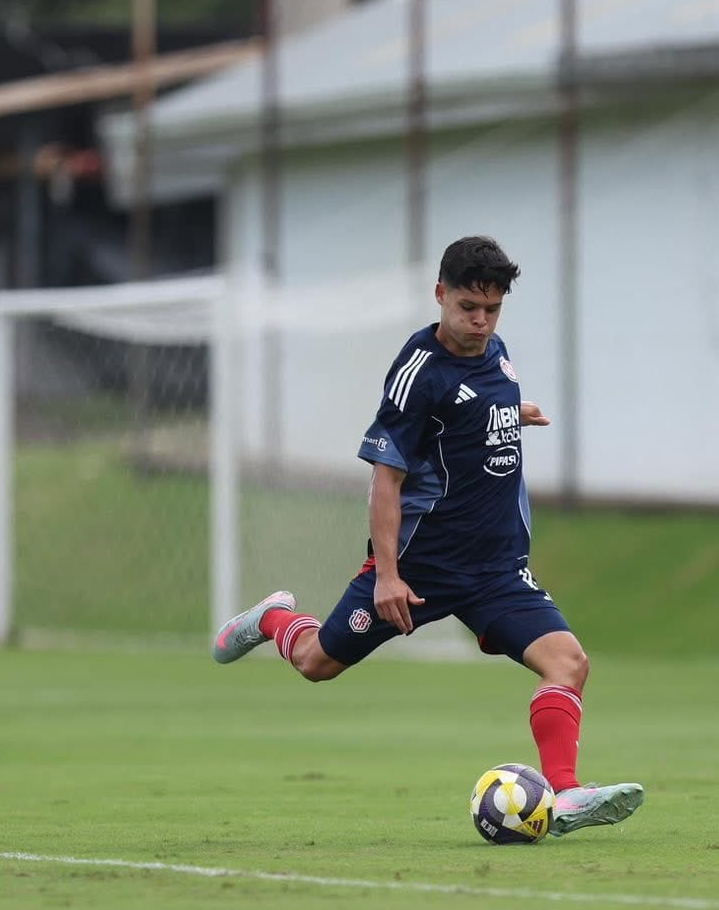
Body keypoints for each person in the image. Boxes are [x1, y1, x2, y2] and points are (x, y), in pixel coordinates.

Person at [211, 235, 643, 836]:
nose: (480, 321)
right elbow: (385, 479)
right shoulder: (418, 373)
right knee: (316, 663)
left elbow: (467, 415)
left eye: (492, 309)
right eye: (468, 306)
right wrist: (388, 576)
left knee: (569, 663)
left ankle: (566, 795)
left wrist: (511, 414)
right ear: (440, 294)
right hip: (420, 569)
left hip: (495, 570)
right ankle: (274, 619)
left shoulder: (497, 354)